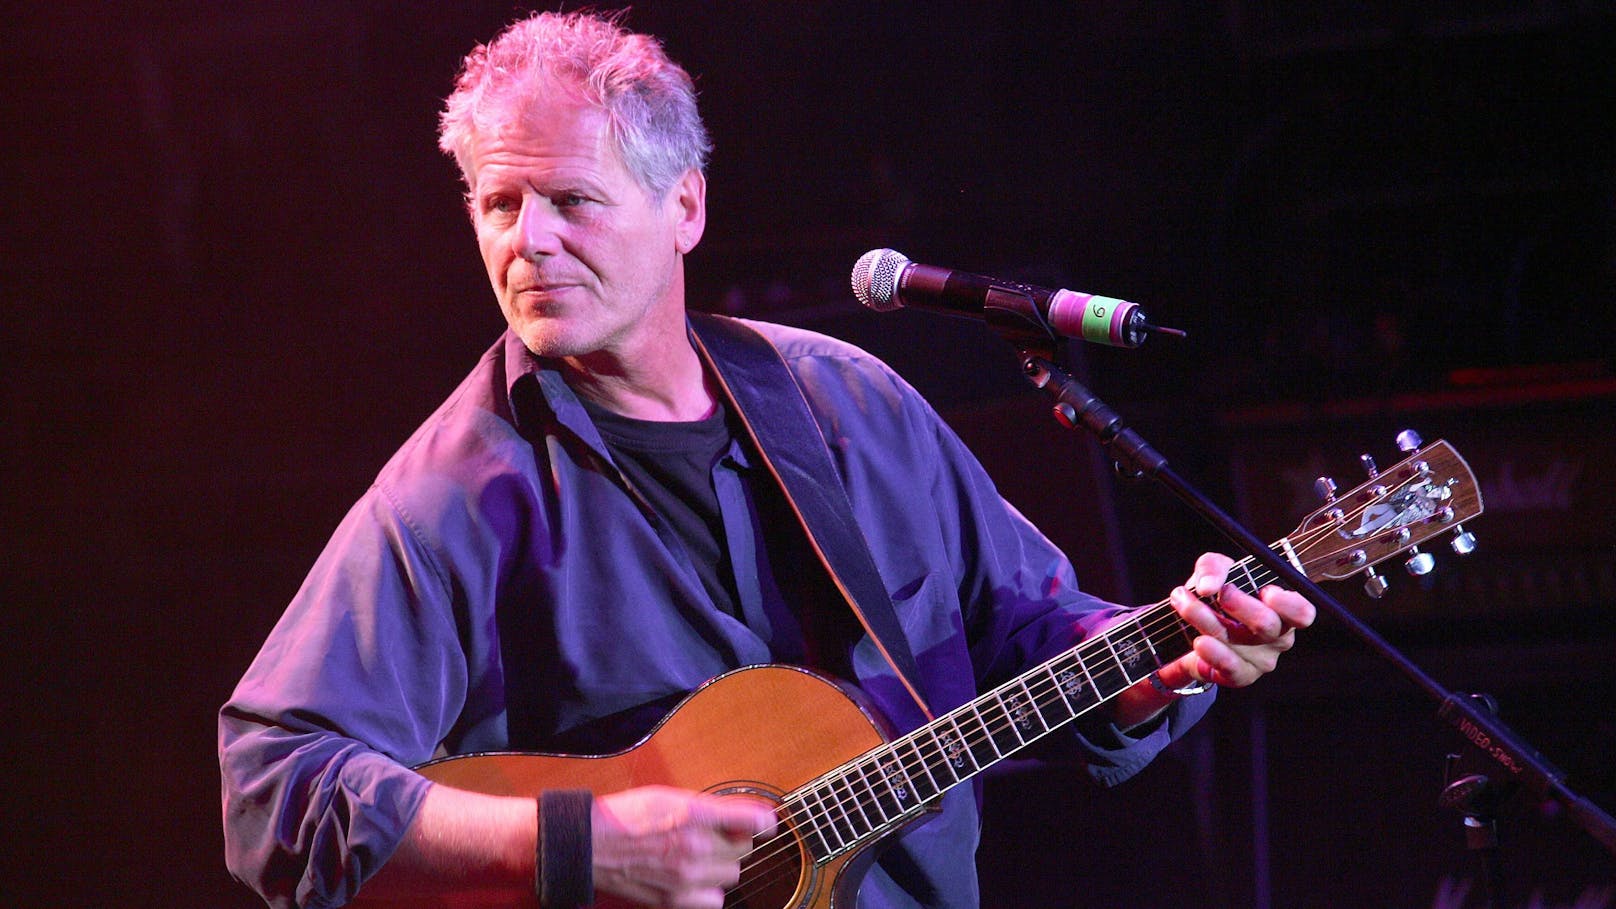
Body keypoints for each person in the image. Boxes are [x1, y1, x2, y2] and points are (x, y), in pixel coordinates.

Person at [218, 10, 1315, 909]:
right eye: (498, 204)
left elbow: (1028, 628)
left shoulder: (846, 406)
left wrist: (1155, 665)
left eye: (570, 201)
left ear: (682, 206)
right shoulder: (454, 493)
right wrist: (573, 848)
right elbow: (274, 788)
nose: (526, 240)